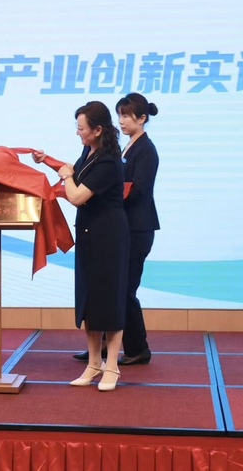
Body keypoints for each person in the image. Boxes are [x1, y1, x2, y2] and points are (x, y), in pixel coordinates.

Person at [34, 101, 129, 391]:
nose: (78, 133)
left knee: (109, 299)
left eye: (81, 128)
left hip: (109, 237)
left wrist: (65, 176)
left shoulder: (109, 161)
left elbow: (76, 195)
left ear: (97, 130)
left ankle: (111, 366)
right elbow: (75, 172)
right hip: (89, 235)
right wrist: (46, 160)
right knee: (89, 299)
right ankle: (93, 363)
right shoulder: (90, 152)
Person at [71, 93, 160, 366]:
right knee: (109, 289)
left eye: (126, 116)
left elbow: (138, 188)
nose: (121, 121)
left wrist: (103, 190)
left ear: (142, 119)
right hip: (118, 228)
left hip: (136, 227)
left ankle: (137, 347)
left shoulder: (146, 149)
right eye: (119, 115)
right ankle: (102, 347)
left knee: (124, 290)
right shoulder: (124, 148)